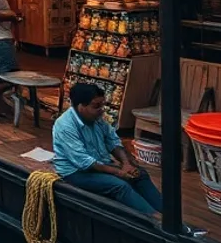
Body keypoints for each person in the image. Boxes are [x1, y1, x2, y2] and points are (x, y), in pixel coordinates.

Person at [54, 82, 163, 216]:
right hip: (76, 173)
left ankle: (169, 215)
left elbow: (113, 141)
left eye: (102, 105)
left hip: (101, 164)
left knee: (140, 174)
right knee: (119, 185)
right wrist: (118, 172)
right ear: (81, 107)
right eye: (96, 106)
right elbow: (85, 162)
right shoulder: (65, 126)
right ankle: (154, 219)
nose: (101, 110)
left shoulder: (97, 119)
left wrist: (126, 164)